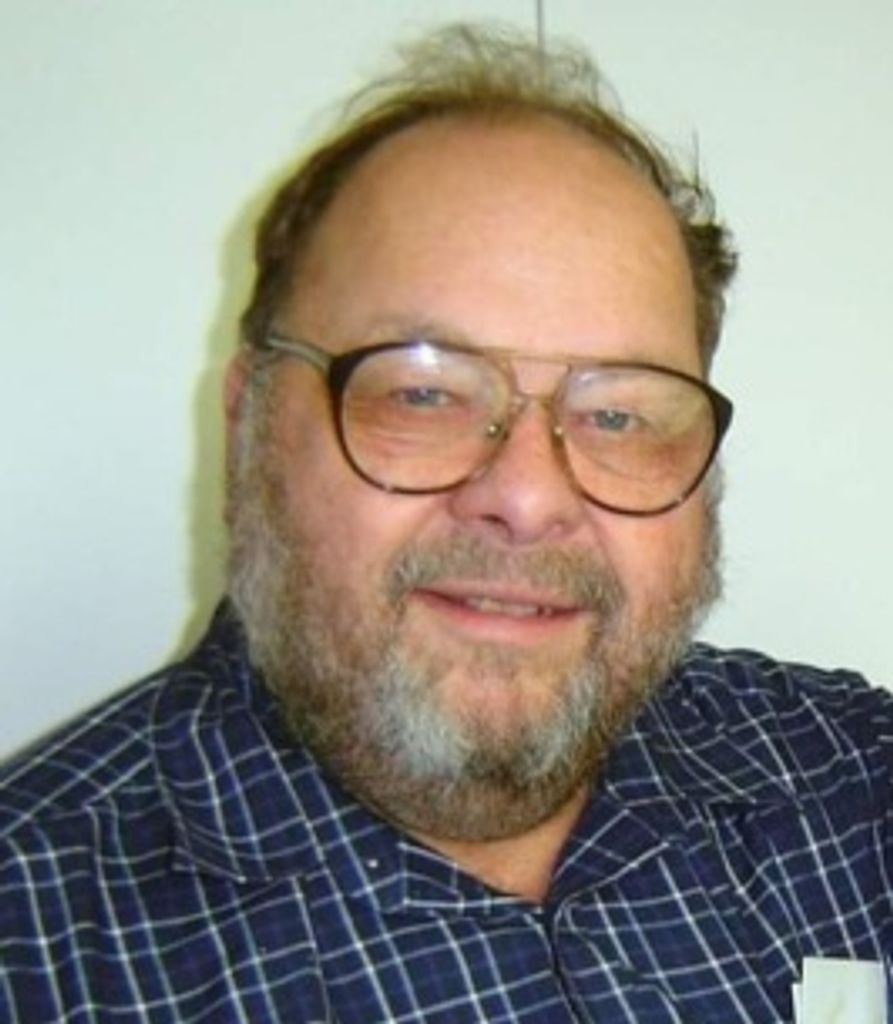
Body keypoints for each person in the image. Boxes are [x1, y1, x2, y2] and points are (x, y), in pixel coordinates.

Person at [2, 22, 890, 1024]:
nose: (529, 497)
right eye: (422, 394)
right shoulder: (37, 952)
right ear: (250, 425)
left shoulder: (849, 783)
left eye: (618, 415)